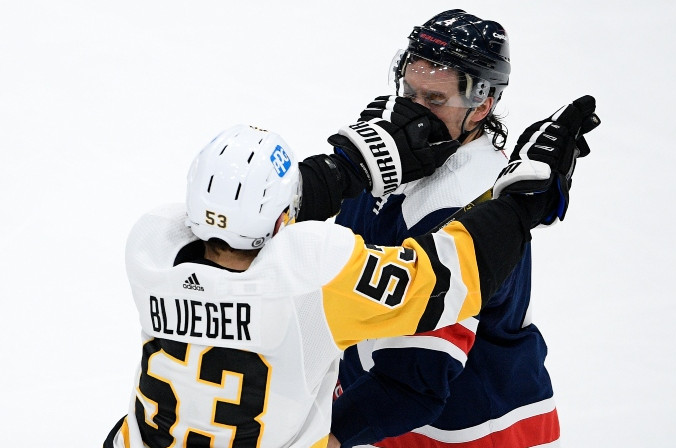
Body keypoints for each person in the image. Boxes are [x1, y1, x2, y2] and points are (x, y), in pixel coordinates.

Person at [103, 91, 597, 448]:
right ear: (281, 217)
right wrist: (523, 200)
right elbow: (448, 276)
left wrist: (346, 170)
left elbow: (231, 218)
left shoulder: (149, 247)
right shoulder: (314, 276)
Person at [328, 9, 599, 448]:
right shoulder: (385, 161)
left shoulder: (461, 203)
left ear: (482, 106)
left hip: (473, 431)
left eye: (435, 100)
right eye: (408, 92)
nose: (412, 112)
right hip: (380, 415)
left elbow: (414, 384)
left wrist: (323, 436)